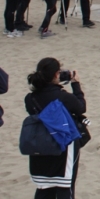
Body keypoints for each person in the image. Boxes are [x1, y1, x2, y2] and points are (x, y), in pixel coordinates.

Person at [25, 57, 86, 198]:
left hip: (39, 144)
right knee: (65, 187)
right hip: (63, 145)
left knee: (44, 187)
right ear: (56, 75)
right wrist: (76, 84)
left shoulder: (30, 99)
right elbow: (81, 107)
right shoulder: (63, 97)